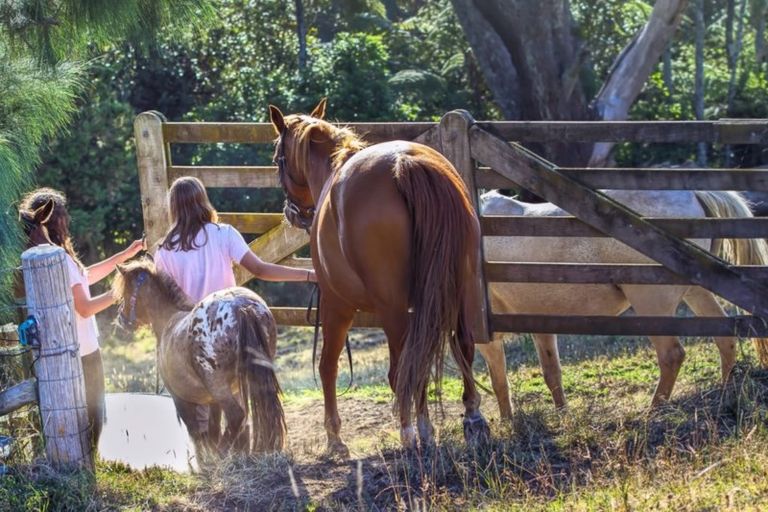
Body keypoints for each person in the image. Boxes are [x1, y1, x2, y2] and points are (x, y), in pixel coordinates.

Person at [153, 176, 316, 438]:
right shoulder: (223, 233)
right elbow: (261, 270)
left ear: (173, 208)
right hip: (232, 329)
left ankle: (213, 462)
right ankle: (252, 451)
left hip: (192, 343)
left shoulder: (163, 252)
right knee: (240, 396)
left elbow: (168, 307)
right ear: (202, 201)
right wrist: (308, 274)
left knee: (201, 415)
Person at [18, 187, 144, 455]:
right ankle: (89, 468)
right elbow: (85, 308)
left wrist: (126, 254)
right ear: (54, 220)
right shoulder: (58, 258)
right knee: (92, 416)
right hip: (84, 351)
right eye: (63, 218)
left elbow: (85, 277)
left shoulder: (51, 256)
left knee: (83, 418)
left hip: (72, 349)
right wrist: (121, 292)